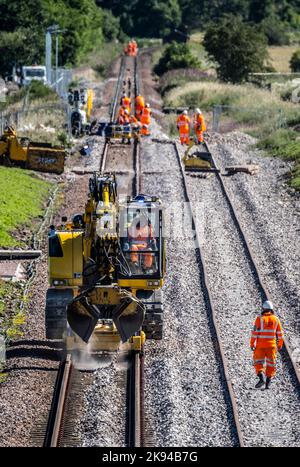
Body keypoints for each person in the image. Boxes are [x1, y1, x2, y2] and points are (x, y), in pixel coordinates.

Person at [250, 300, 284, 389]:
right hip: (271, 346)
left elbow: (254, 332)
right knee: (271, 364)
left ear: (263, 309)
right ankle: (268, 384)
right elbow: (280, 333)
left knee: (258, 362)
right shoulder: (276, 319)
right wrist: (280, 344)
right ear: (271, 309)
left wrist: (252, 343)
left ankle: (261, 377)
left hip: (260, 346)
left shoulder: (259, 319)